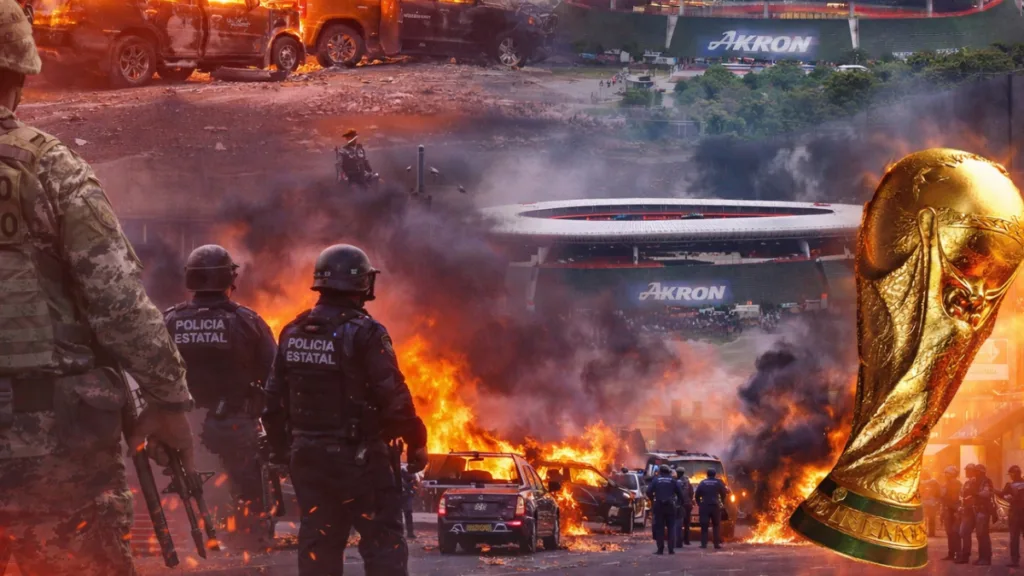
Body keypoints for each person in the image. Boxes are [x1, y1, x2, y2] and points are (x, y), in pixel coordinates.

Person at [0, 3, 196, 572]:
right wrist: (168, 398)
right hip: (49, 449)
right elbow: (116, 302)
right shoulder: (52, 168)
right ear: (19, 73)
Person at [261, 244, 428, 576]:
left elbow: (272, 402)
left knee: (318, 543)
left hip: (308, 458)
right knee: (383, 544)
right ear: (363, 284)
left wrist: (284, 451)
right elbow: (393, 398)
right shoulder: (366, 333)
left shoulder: (293, 331)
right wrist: (417, 440)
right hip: (360, 460)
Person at [163, 244, 277, 548]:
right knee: (247, 501)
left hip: (181, 429)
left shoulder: (169, 321)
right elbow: (275, 377)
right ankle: (250, 550)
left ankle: (191, 548)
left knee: (187, 500)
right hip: (235, 427)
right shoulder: (248, 321)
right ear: (230, 278)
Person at [646, 464, 684, 555]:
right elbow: (680, 494)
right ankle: (671, 549)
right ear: (669, 471)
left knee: (660, 529)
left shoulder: (656, 480)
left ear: (660, 471)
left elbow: (648, 491)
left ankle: (660, 549)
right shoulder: (673, 481)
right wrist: (678, 504)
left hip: (659, 506)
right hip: (670, 507)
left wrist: (653, 499)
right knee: (671, 528)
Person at [694, 468, 729, 549]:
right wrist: (722, 503)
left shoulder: (702, 483)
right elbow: (723, 493)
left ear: (707, 474)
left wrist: (700, 504)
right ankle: (716, 544)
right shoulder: (718, 482)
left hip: (704, 506)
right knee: (716, 525)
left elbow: (697, 495)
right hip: (715, 506)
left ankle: (703, 544)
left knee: (704, 526)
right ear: (715, 474)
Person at [1001, 464, 1024, 567]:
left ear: (1013, 474)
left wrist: (994, 491)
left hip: (1015, 513)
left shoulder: (1010, 485)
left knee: (1014, 537)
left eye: (1011, 474)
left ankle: (1015, 561)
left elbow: (1002, 495)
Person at [956, 463, 979, 565]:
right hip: (966, 509)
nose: (966, 472)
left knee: (965, 532)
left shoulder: (975, 482)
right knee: (963, 532)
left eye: (968, 470)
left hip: (972, 510)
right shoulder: (967, 482)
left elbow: (973, 496)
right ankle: (965, 554)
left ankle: (965, 556)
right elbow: (962, 495)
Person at [939, 465, 962, 561]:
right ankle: (952, 553)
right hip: (948, 510)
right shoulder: (946, 484)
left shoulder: (956, 484)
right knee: (950, 533)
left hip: (954, 510)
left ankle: (956, 553)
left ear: (951, 474)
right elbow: (943, 499)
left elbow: (957, 498)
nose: (945, 475)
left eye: (946, 473)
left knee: (954, 533)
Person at [675, 466, 694, 547]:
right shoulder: (688, 483)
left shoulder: (676, 482)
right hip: (688, 505)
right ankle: (686, 540)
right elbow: (691, 493)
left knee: (678, 524)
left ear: (678, 473)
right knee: (687, 524)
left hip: (680, 505)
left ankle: (679, 541)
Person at [921, 469, 941, 537]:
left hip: (924, 501)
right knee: (931, 518)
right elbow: (939, 491)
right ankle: (931, 533)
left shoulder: (920, 482)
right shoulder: (934, 481)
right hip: (932, 502)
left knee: (924, 518)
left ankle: (923, 532)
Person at [401, 467, 419, 539]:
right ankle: (409, 533)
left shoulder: (407, 473)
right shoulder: (405, 472)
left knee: (407, 513)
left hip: (405, 495)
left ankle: (409, 533)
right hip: (403, 495)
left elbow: (414, 485)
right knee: (407, 514)